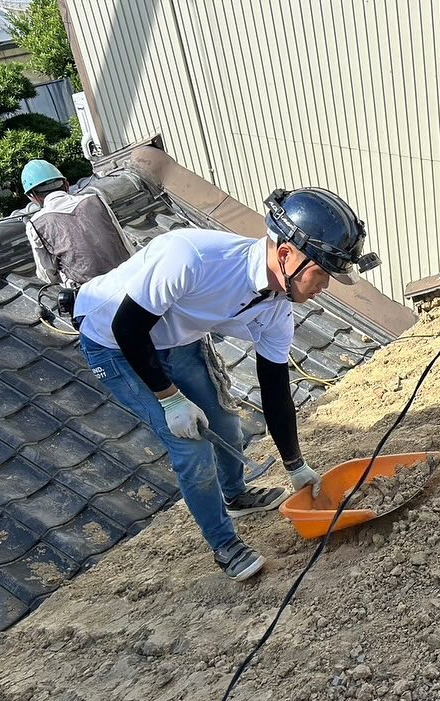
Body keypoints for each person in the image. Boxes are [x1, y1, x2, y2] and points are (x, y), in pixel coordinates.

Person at [72, 188, 381, 581]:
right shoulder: (192, 257)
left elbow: (274, 388)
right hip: (113, 339)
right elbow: (128, 328)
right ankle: (224, 544)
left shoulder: (277, 309)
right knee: (191, 444)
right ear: (286, 254)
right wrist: (170, 401)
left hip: (175, 335)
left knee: (223, 419)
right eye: (322, 273)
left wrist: (295, 465)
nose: (324, 287)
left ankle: (236, 494)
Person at [21, 159, 134, 289]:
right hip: (126, 276)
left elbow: (47, 274)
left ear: (32, 196)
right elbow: (124, 243)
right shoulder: (95, 199)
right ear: (66, 184)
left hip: (90, 292)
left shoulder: (35, 224)